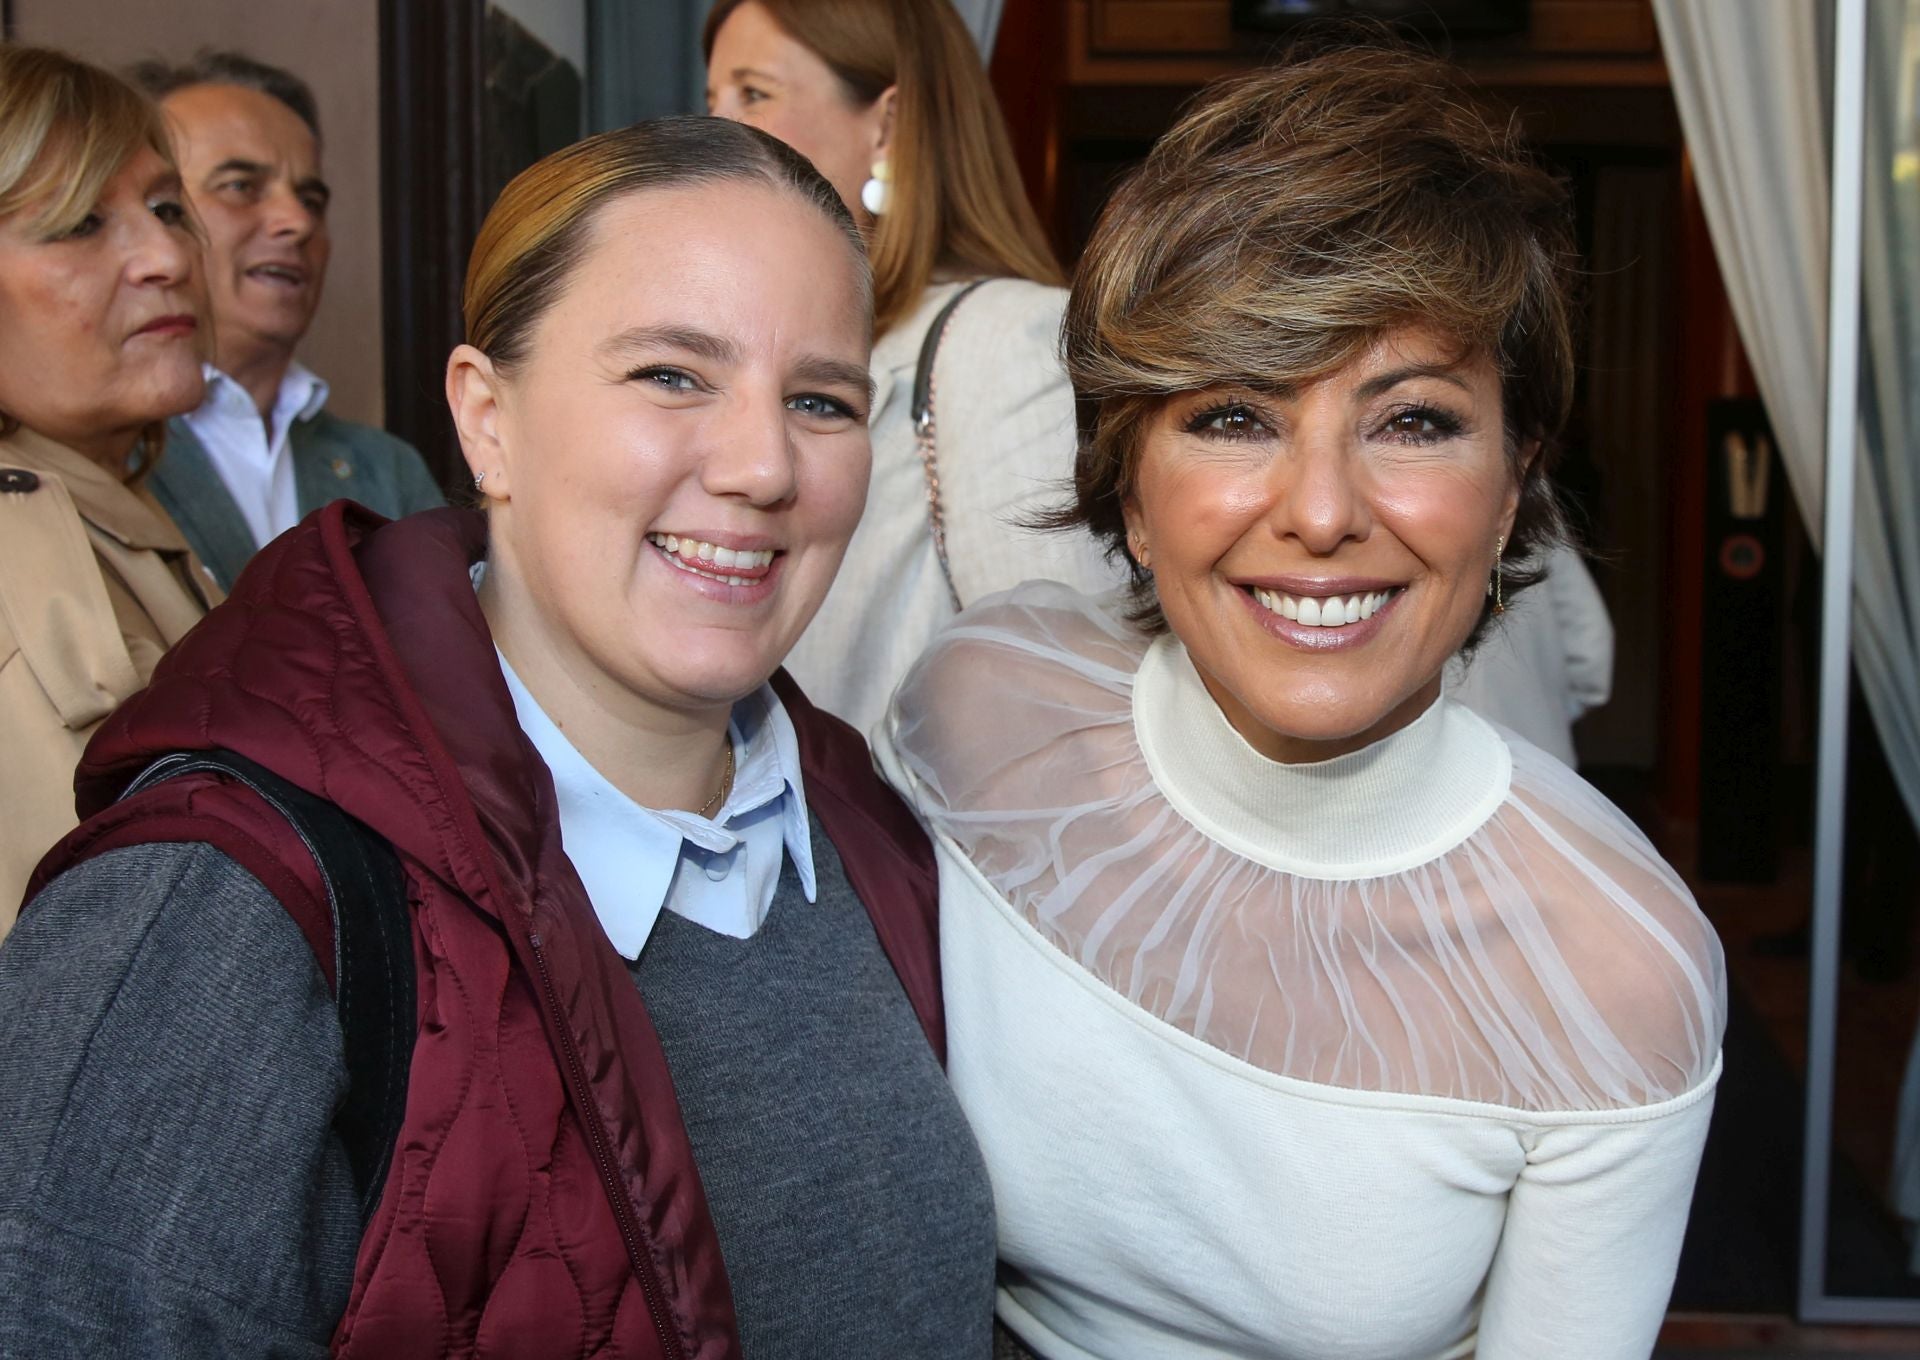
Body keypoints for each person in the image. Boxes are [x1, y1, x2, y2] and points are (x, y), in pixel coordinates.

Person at [0, 117, 994, 1358]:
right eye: (671, 374)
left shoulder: (876, 829)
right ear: (486, 420)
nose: (761, 464)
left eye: (820, 398)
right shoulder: (229, 899)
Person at [875, 43, 1727, 1360]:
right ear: (1128, 487)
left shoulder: (1611, 968)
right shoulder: (983, 712)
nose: (1322, 513)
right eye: (1231, 416)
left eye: (1416, 422)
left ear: (1511, 491)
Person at [706, 0, 1117, 735]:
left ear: (887, 126)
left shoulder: (1003, 341)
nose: (714, 133)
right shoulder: (775, 350)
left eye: (753, 94)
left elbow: (1073, 714)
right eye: (712, 102)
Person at [0, 45, 219, 927]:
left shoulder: (105, 502)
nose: (165, 254)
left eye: (168, 207)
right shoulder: (25, 542)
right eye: (80, 223)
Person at [131, 50, 443, 591]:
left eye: (311, 198)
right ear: (152, 217)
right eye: (240, 186)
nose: (296, 222)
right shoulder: (100, 456)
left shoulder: (386, 470)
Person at [1449, 541, 1615, 765]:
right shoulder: (1543, 528)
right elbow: (1591, 650)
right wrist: (1548, 713)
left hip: (1449, 756)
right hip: (1540, 750)